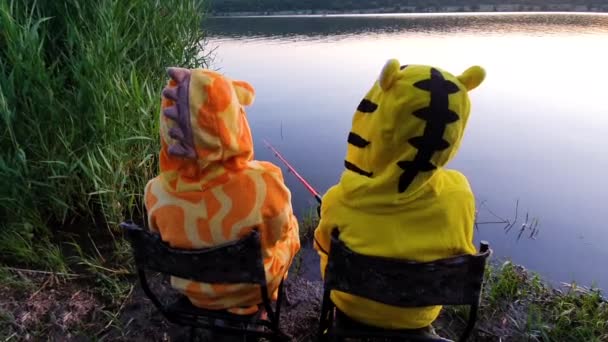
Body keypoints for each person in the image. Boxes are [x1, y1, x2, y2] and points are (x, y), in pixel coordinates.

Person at [314, 59, 485, 329]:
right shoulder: (459, 194)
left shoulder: (340, 198)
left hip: (352, 306)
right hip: (419, 315)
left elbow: (322, 246)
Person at [144, 67, 300, 315]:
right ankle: (264, 302)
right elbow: (278, 233)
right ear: (231, 121)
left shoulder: (156, 192)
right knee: (291, 229)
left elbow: (159, 235)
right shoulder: (263, 182)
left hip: (194, 291)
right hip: (253, 288)